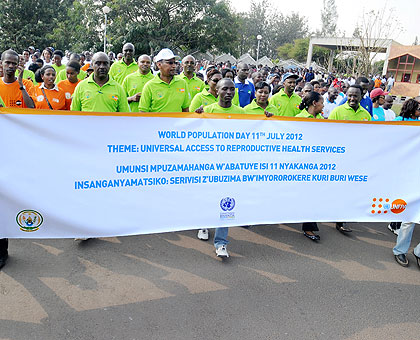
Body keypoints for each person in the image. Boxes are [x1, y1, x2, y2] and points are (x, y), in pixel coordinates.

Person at [199, 78, 245, 258]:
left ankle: (221, 243)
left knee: (226, 203)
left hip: (231, 165)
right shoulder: (207, 110)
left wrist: (267, 120)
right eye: (225, 89)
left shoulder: (242, 112)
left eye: (232, 89)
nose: (229, 92)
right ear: (216, 90)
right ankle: (203, 223)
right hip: (210, 163)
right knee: (208, 196)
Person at [329, 85, 370, 233]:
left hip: (355, 157)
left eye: (355, 96)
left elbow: (369, 136)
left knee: (348, 188)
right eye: (350, 95)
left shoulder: (366, 115)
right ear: (346, 95)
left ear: (361, 96)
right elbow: (328, 133)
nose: (352, 98)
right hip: (338, 156)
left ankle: (341, 220)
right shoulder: (337, 111)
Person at [295, 91, 325, 240]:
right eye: (321, 102)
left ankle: (309, 228)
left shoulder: (323, 120)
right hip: (300, 164)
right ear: (314, 103)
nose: (323, 105)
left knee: (312, 196)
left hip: (316, 165)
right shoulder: (298, 119)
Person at [139, 48, 190, 113]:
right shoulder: (149, 86)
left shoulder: (182, 83)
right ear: (159, 65)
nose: (174, 66)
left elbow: (185, 109)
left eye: (175, 63)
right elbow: (143, 112)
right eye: (170, 63)